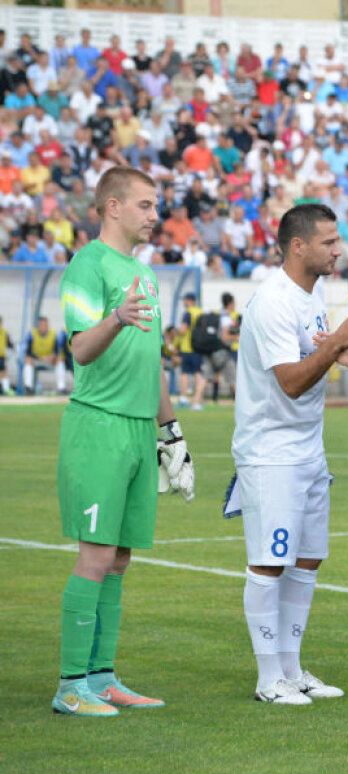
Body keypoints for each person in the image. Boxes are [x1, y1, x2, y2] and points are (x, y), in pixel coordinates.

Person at [52, 166, 195, 716]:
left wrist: (171, 432)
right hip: (99, 426)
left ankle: (102, 676)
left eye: (155, 205)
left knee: (119, 560)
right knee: (94, 556)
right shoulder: (88, 266)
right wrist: (116, 316)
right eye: (144, 205)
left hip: (138, 430)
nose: (154, 216)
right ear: (112, 207)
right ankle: (69, 685)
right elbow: (82, 348)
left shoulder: (144, 273)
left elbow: (152, 359)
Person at [228, 203, 348, 705]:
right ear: (298, 246)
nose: (339, 249)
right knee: (270, 561)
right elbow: (290, 382)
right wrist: (334, 347)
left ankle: (291, 667)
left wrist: (343, 350)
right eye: (329, 241)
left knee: (307, 559)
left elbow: (323, 358)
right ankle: (269, 678)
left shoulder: (316, 294)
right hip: (271, 452)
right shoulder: (272, 301)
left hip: (309, 448)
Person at [23, 315, 67, 394]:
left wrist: (51, 357)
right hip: (36, 360)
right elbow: (28, 352)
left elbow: (57, 351)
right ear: (38, 326)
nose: (43, 327)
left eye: (44, 325)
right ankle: (28, 387)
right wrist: (39, 358)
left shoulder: (53, 334)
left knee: (59, 360)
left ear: (48, 325)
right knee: (28, 360)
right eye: (40, 325)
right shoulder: (32, 334)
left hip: (49, 361)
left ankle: (61, 387)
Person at [0, 314, 13, 394]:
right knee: (3, 371)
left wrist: (13, 349)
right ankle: (6, 388)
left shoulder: (4, 333)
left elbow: (10, 344)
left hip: (1, 357)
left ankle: (6, 388)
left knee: (4, 371)